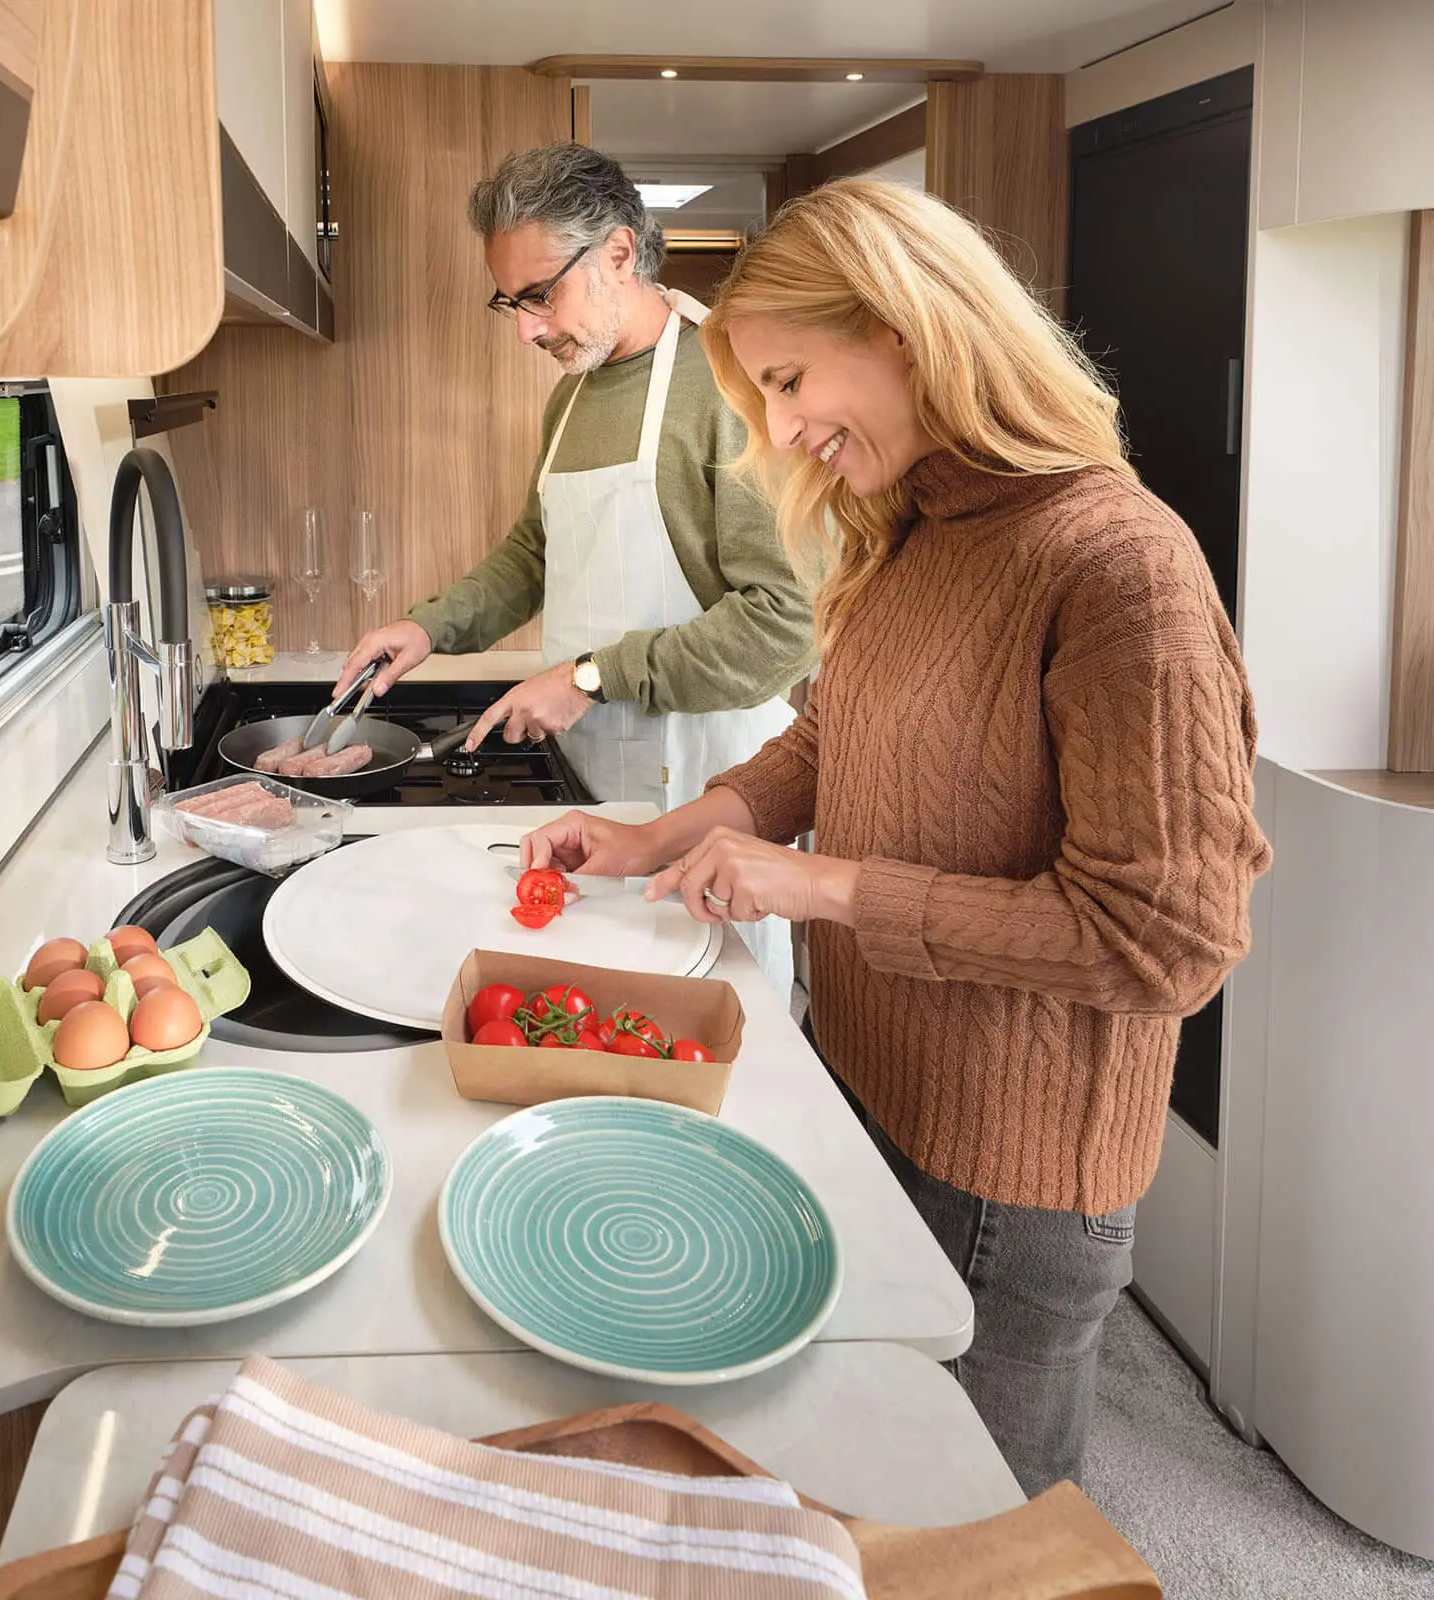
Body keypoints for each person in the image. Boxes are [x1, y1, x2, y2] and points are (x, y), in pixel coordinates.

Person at [517, 177, 1271, 1495]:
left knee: (971, 1542)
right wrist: (658, 839)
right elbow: (827, 742)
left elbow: (1168, 942)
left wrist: (820, 887)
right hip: (870, 1089)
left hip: (1013, 1174)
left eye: (797, 381)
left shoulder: (1115, 564)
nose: (790, 428)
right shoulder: (911, 531)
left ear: (910, 329)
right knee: (864, 1504)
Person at [332, 142, 815, 990]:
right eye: (508, 301)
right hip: (592, 776)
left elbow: (782, 624)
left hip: (704, 788)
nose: (525, 329)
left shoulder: (732, 387)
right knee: (589, 1008)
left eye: (539, 295)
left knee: (704, 1027)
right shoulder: (574, 392)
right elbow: (535, 552)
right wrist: (427, 626)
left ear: (620, 254)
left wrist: (589, 677)